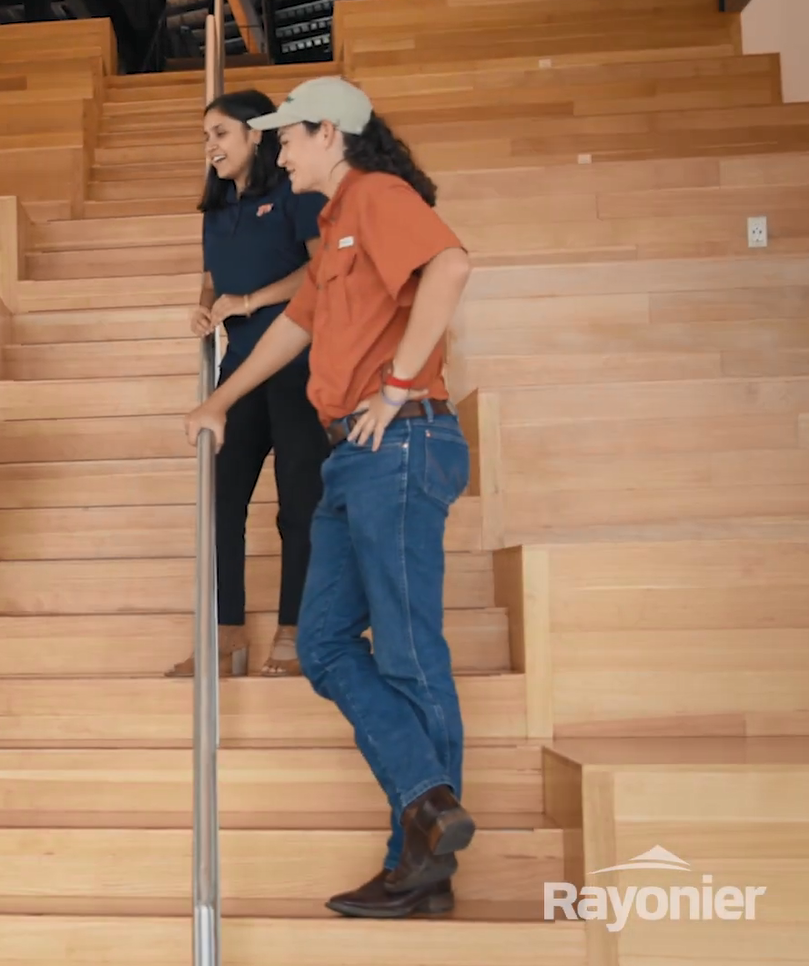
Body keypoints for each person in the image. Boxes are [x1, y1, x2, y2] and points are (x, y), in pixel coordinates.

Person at [183, 76, 477, 919]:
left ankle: (417, 868)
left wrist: (398, 387)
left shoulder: (377, 195)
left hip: (400, 439)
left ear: (331, 134)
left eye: (287, 137)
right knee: (322, 643)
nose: (278, 150)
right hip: (352, 458)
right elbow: (295, 326)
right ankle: (428, 803)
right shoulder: (333, 224)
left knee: (408, 652)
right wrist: (220, 400)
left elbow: (450, 266)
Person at [166, 89, 328, 680]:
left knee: (298, 503)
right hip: (239, 371)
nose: (210, 145)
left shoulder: (293, 194)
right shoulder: (215, 210)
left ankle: (294, 632)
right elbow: (212, 278)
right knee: (222, 500)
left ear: (256, 134)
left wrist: (251, 300)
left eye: (221, 133)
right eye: (205, 136)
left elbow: (320, 271)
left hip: (297, 364)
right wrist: (205, 306)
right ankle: (225, 637)